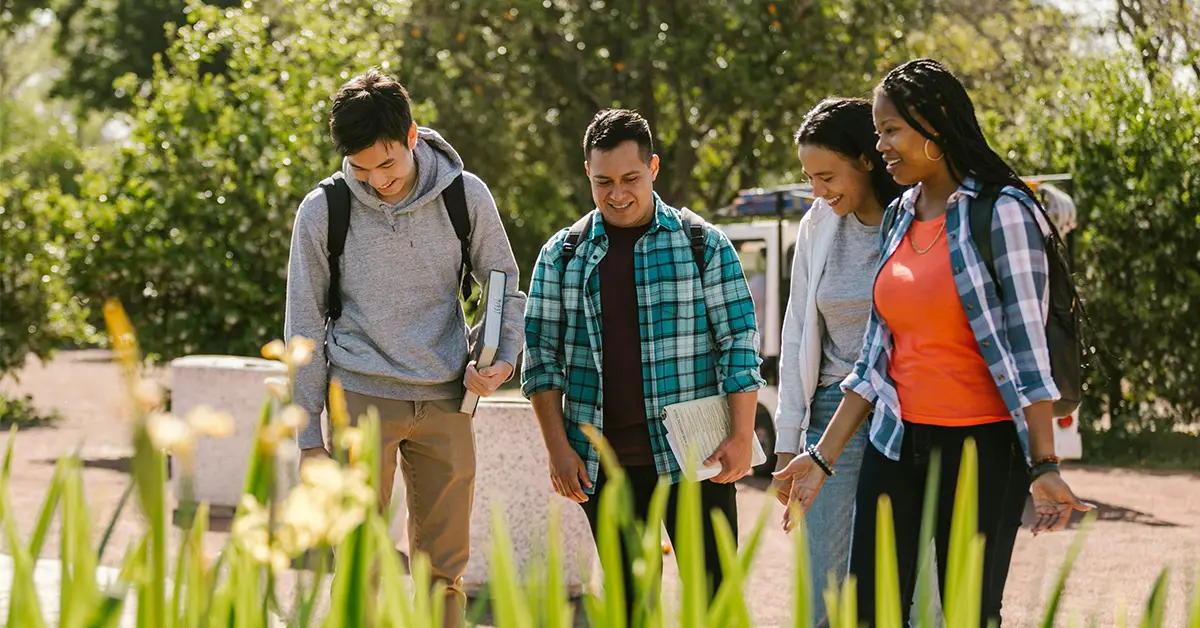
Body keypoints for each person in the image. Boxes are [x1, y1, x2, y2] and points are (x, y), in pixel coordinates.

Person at [773, 59, 1093, 627]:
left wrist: (1043, 464)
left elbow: (1026, 354)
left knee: (964, 612)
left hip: (981, 451)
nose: (882, 145)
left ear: (935, 124)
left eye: (891, 130)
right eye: (877, 132)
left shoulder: (1004, 213)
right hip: (897, 442)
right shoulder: (899, 214)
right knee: (870, 609)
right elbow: (874, 361)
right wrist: (820, 457)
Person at [283, 69, 527, 627]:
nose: (376, 181)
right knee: (358, 563)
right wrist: (307, 435)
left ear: (412, 135)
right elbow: (303, 325)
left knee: (444, 571)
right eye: (361, 169)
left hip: (446, 401)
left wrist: (503, 358)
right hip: (359, 398)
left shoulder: (465, 196)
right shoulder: (325, 209)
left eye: (387, 164)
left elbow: (504, 285)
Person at [521, 108, 764, 617]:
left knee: (713, 600)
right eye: (603, 181)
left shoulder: (703, 244)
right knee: (631, 608)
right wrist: (557, 450)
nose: (617, 193)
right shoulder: (560, 256)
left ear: (653, 167)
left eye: (631, 178)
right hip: (604, 463)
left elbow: (739, 343)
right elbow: (541, 360)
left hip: (697, 456)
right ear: (587, 174)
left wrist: (742, 436)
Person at [770, 97, 905, 626]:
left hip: (902, 413)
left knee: (904, 574)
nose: (818, 192)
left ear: (866, 159)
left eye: (827, 176)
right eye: (810, 178)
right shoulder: (818, 224)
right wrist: (787, 437)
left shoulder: (914, 220)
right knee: (822, 577)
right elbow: (798, 327)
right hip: (831, 412)